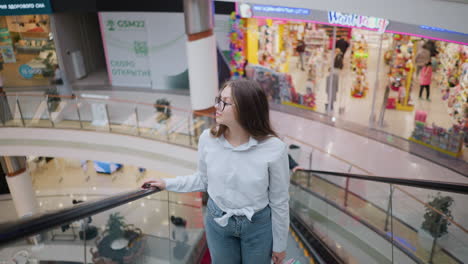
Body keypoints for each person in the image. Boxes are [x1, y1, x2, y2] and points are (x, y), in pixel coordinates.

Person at [143, 80, 290, 264]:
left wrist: (280, 245)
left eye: (225, 102)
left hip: (257, 225)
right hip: (218, 221)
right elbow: (203, 180)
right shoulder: (208, 139)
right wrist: (167, 183)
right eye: (218, 99)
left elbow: (280, 201)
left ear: (247, 108)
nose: (216, 106)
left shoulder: (274, 148)